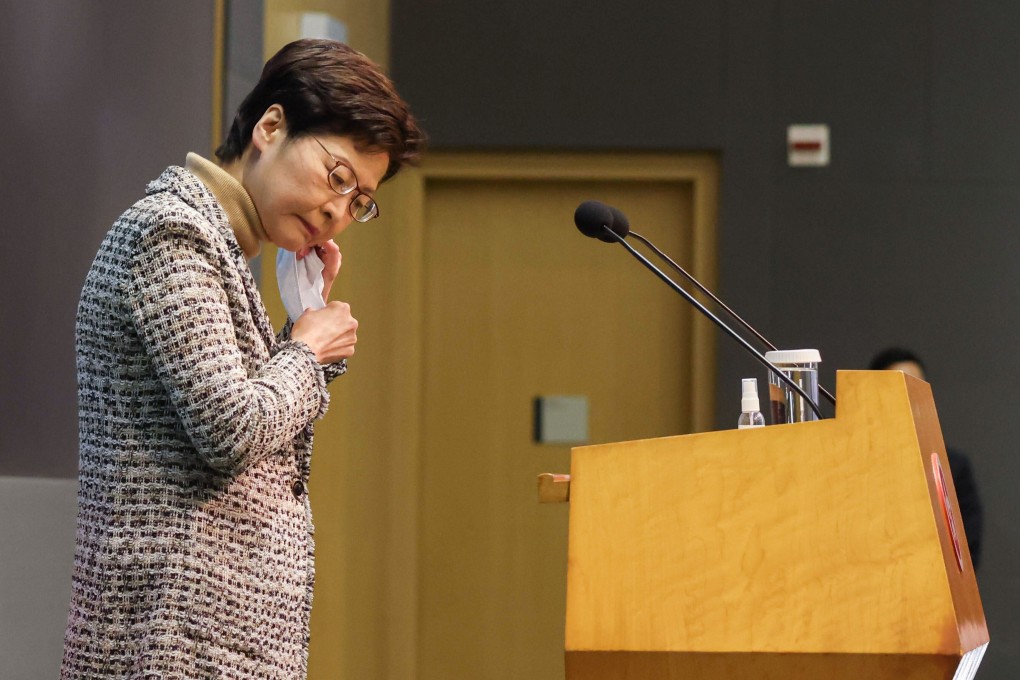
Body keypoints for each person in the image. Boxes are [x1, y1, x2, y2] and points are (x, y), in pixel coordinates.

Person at [61, 39, 425, 678]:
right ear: (271, 126)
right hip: (169, 639)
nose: (339, 211)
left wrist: (298, 331)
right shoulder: (170, 233)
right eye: (338, 178)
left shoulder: (221, 248)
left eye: (359, 201)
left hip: (205, 637)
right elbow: (232, 429)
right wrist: (307, 351)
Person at [869, 348, 985, 569]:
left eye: (916, 385)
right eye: (898, 387)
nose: (909, 395)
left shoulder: (953, 466)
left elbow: (967, 547)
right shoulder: (855, 463)